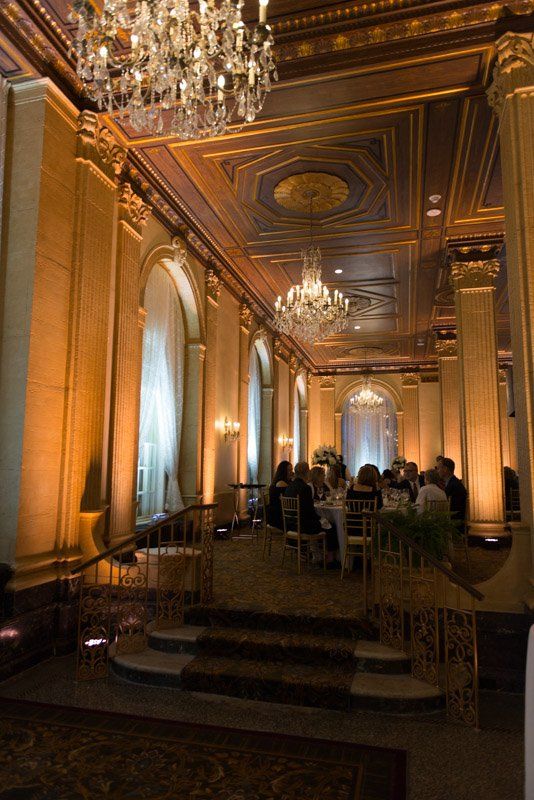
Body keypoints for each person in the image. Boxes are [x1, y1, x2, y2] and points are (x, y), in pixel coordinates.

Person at [284, 462, 339, 564]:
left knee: (325, 523)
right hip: (303, 526)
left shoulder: (290, 486)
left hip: (290, 524)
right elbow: (309, 512)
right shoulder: (305, 488)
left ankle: (319, 554)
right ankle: (330, 559)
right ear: (306, 472)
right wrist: (321, 520)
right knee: (332, 527)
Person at [437, 457, 467, 524]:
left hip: (454, 524)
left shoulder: (455, 485)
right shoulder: (452, 482)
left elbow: (452, 509)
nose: (437, 471)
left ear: (445, 469)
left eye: (438, 468)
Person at [266, 460, 293, 530]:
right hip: (277, 517)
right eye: (289, 470)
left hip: (280, 513)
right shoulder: (281, 483)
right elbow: (288, 501)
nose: (292, 472)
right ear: (283, 471)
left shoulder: (285, 482)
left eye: (291, 469)